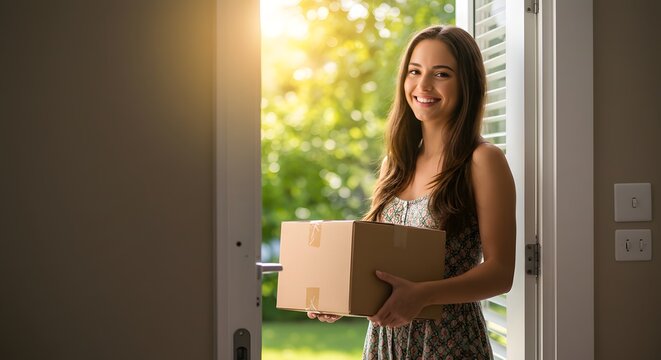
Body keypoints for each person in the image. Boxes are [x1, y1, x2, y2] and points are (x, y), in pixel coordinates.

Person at [308, 25, 516, 359]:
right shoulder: (397, 162)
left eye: (441, 74)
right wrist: (341, 296)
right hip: (384, 342)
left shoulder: (482, 160)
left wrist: (423, 295)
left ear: (467, 84)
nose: (423, 86)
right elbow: (380, 263)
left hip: (449, 344)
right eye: (414, 72)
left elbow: (500, 273)